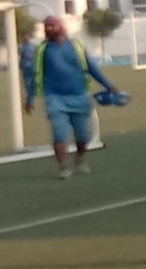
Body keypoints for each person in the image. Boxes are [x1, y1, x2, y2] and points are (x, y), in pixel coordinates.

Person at [20, 14, 120, 178]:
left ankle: (80, 159)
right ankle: (64, 167)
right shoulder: (42, 51)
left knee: (83, 135)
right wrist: (30, 99)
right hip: (54, 98)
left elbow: (92, 68)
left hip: (79, 96)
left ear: (62, 27)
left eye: (52, 25)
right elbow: (35, 75)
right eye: (46, 26)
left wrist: (109, 85)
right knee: (59, 133)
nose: (49, 28)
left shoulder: (76, 46)